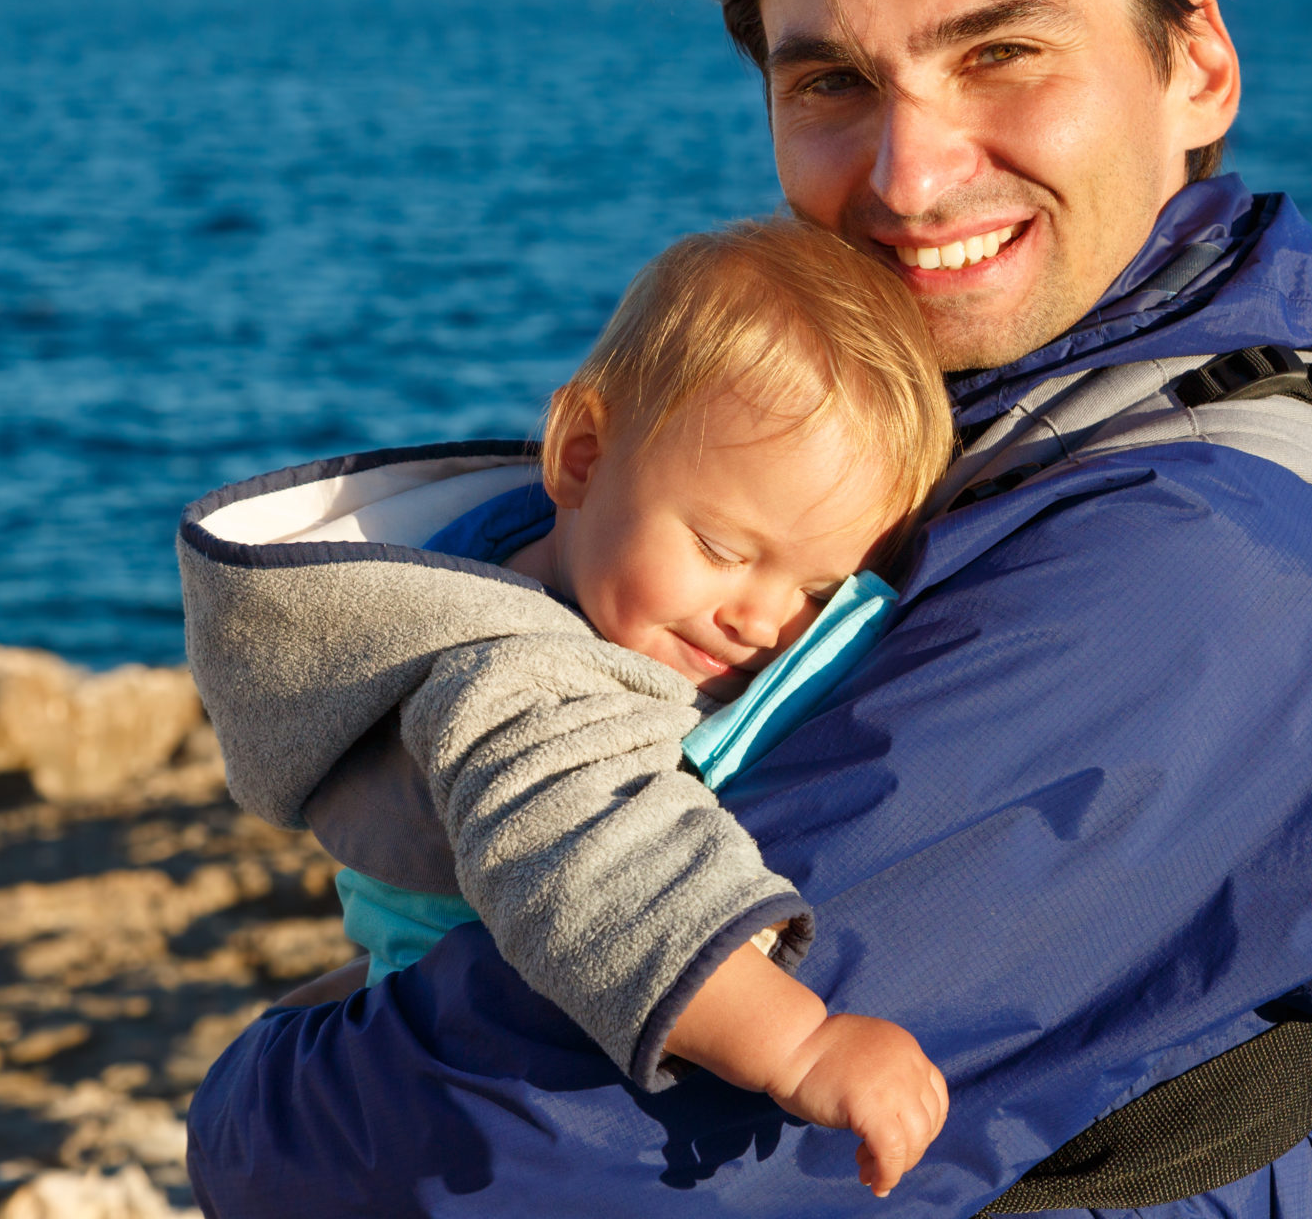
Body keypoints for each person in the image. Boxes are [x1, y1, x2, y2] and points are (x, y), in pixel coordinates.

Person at [185, 0, 1312, 1219]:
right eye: (834, 82)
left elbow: (509, 1161)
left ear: (1197, 67)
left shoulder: (1197, 575)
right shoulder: (993, 431)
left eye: (1004, 53)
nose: (909, 175)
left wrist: (253, 1091)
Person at [179, 219, 955, 1190]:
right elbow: (605, 873)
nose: (760, 617)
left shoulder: (504, 551)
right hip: (466, 1109)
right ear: (580, 456)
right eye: (722, 548)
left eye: (816, 592)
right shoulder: (519, 680)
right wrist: (803, 1046)